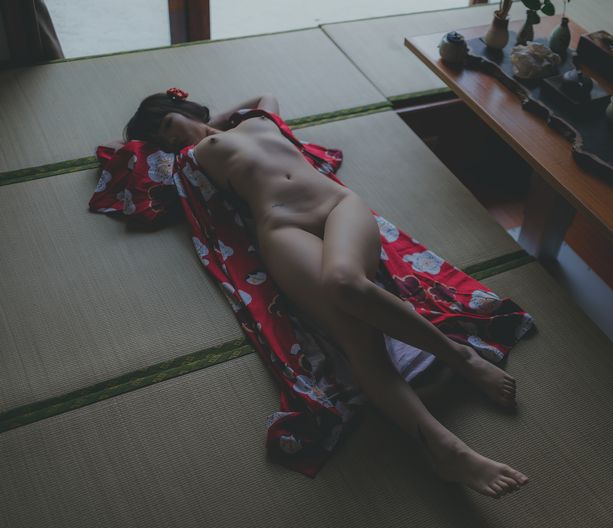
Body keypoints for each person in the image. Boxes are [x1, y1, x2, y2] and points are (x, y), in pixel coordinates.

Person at [123, 91, 529, 499]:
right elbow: (132, 171)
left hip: (338, 205)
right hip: (283, 228)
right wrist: (179, 134)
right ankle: (445, 448)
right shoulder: (187, 161)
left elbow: (266, 96)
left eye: (168, 125)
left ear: (181, 109)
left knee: (345, 282)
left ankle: (460, 357)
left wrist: (209, 119)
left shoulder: (255, 119)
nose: (169, 139)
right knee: (356, 335)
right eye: (161, 139)